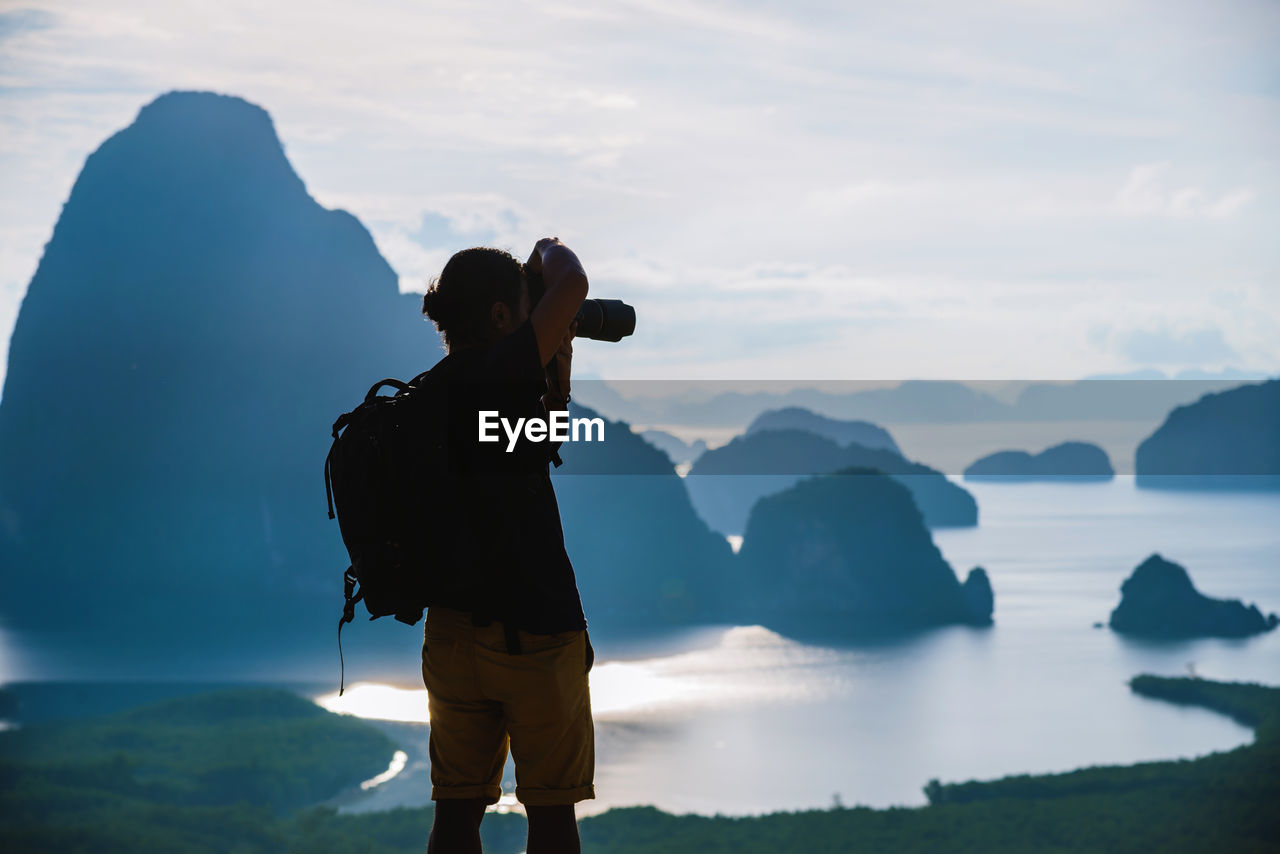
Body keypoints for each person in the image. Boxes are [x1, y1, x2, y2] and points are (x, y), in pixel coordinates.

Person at [418, 238, 594, 854]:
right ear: (499, 318)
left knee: (455, 814)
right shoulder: (500, 374)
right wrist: (548, 252)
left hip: (451, 636)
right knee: (551, 817)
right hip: (537, 635)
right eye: (528, 309)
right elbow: (573, 285)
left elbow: (533, 440)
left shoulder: (425, 395)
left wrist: (557, 380)